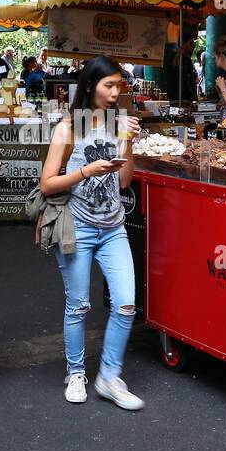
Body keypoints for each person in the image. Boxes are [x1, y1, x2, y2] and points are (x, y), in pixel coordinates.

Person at [39, 56, 143, 411]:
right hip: (78, 227)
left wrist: (127, 142)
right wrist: (86, 170)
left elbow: (126, 181)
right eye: (108, 86)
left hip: (113, 227)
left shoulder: (118, 124)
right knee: (78, 305)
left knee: (127, 303)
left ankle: (110, 376)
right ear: (89, 86)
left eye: (119, 86)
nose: (116, 93)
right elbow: (47, 184)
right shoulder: (69, 127)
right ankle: (77, 372)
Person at [162, 31, 199, 103]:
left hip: (189, 98)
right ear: (183, 44)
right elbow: (174, 66)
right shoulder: (174, 56)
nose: (193, 46)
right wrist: (179, 54)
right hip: (178, 98)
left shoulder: (188, 59)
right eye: (190, 43)